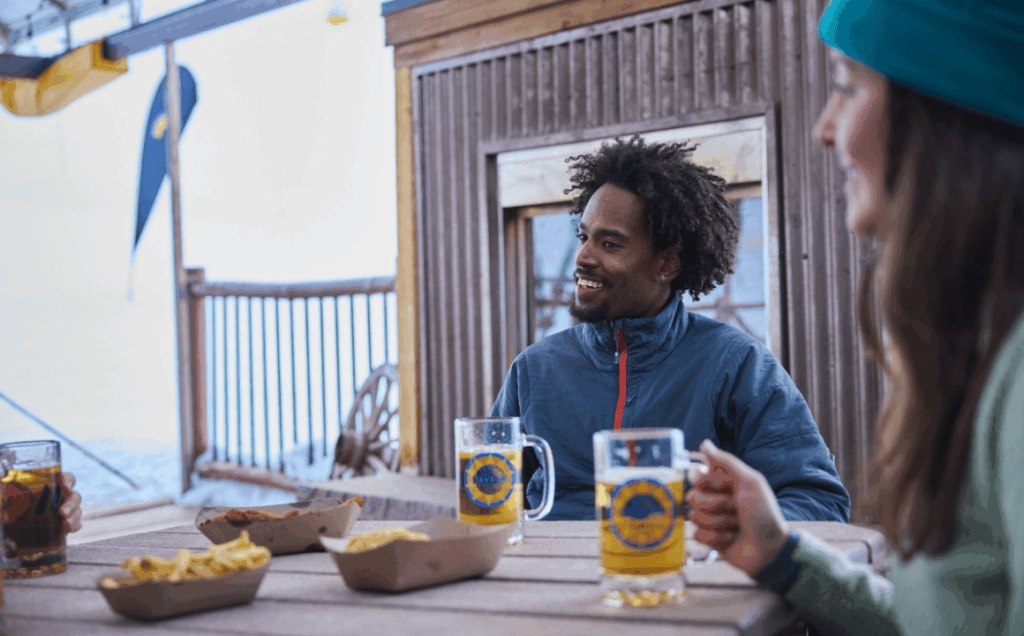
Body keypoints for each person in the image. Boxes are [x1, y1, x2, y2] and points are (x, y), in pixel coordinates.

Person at [687, 0, 1024, 634]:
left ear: (945, 108)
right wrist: (782, 557)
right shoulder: (985, 343)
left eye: (846, 86)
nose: (824, 127)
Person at [490, 135, 850, 522]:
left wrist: (727, 536)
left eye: (609, 244)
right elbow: (488, 494)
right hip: (548, 578)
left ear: (667, 264)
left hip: (678, 576)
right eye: (583, 236)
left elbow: (819, 500)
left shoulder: (736, 363)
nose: (582, 257)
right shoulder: (533, 370)